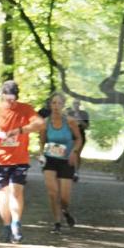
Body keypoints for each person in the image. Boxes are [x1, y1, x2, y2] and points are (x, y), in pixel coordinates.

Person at [0, 81, 44, 243]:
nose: (10, 103)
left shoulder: (25, 109)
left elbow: (40, 124)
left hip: (19, 159)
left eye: (13, 99)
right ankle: (6, 226)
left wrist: (21, 130)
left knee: (16, 191)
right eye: (7, 99)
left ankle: (16, 224)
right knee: (3, 197)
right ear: (2, 96)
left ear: (17, 97)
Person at [38, 92, 83, 233]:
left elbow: (78, 139)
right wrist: (41, 153)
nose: (56, 106)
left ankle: (65, 211)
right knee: (52, 193)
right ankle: (57, 223)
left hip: (66, 161)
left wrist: (74, 152)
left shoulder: (70, 121)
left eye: (59, 103)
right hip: (50, 159)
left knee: (64, 198)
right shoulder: (45, 122)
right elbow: (42, 140)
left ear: (63, 106)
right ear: (50, 105)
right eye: (53, 103)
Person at [67, 99, 91, 181]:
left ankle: (76, 173)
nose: (76, 105)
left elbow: (87, 126)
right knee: (68, 154)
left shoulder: (84, 114)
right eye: (74, 103)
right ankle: (68, 171)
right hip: (69, 136)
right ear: (72, 104)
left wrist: (80, 120)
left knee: (76, 153)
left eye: (77, 103)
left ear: (80, 104)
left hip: (80, 136)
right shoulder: (69, 113)